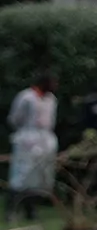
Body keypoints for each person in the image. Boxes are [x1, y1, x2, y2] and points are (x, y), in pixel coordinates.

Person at [7, 74, 59, 221]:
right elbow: (15, 118)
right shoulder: (26, 97)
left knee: (39, 176)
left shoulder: (51, 100)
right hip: (28, 137)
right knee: (21, 174)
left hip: (46, 139)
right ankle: (11, 210)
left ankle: (31, 210)